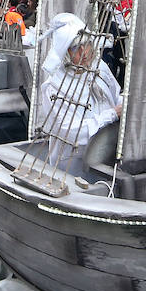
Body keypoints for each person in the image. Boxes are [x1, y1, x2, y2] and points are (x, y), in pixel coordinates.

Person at [37, 14, 122, 176]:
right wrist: (111, 115)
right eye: (76, 48)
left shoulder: (99, 67)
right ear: (65, 53)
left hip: (108, 154)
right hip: (72, 165)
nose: (84, 52)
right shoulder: (54, 86)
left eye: (86, 44)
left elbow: (116, 95)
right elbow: (69, 130)